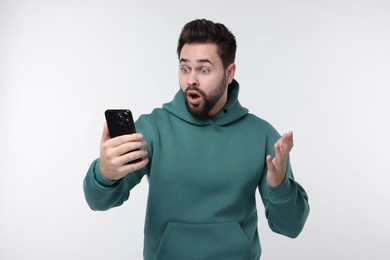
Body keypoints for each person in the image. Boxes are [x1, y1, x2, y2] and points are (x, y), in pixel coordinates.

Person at [83, 18, 310, 260]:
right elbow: (99, 202)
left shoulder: (262, 135)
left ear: (229, 72)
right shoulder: (152, 129)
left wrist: (280, 186)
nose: (191, 79)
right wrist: (105, 174)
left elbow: (290, 227)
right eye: (184, 68)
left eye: (204, 69)